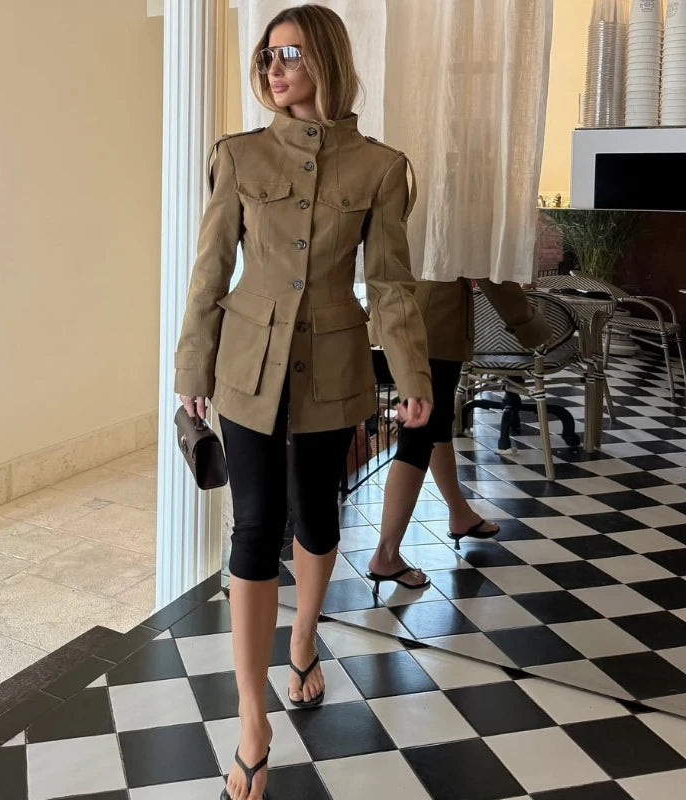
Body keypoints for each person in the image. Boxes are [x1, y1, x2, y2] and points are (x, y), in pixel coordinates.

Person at [174, 7, 432, 800]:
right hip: (245, 366)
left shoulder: (381, 168)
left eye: (290, 53)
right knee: (253, 527)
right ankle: (252, 719)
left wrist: (413, 372)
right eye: (268, 54)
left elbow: (388, 282)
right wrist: (193, 361)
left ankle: (305, 637)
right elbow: (211, 266)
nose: (275, 67)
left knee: (317, 518)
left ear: (324, 59)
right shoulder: (238, 155)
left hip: (332, 367)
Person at [367, 277, 552, 593]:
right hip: (434, 328)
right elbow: (490, 272)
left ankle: (459, 513)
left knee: (435, 428)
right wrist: (529, 322)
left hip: (398, 320)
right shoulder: (458, 224)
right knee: (418, 437)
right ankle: (386, 555)